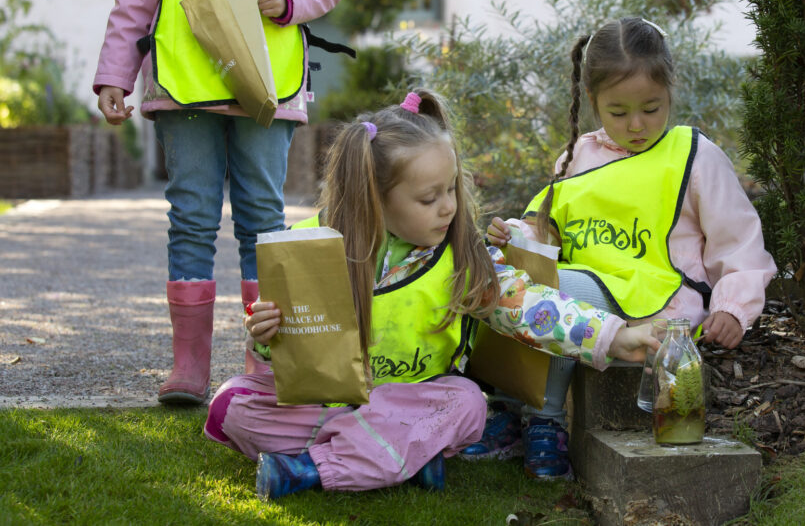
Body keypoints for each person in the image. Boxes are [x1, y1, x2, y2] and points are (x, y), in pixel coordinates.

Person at [202, 90, 658, 499]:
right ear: (376, 198)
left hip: (412, 404)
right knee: (231, 405)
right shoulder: (311, 247)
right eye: (428, 198)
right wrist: (264, 334)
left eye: (451, 190)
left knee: (465, 404)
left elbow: (532, 308)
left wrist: (614, 338)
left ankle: (311, 470)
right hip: (330, 407)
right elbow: (282, 352)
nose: (449, 207)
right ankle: (398, 458)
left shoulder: (460, 260)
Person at [92, 0, 347, 404]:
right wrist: (114, 74)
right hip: (184, 87)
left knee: (263, 217)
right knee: (192, 215)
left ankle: (264, 361)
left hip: (266, 88)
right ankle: (188, 368)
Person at [465, 17, 775, 479]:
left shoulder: (694, 154)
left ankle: (545, 423)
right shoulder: (577, 158)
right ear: (593, 102)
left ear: (671, 90)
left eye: (651, 108)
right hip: (584, 287)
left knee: (559, 293)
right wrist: (515, 238)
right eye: (618, 111)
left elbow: (740, 241)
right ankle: (511, 408)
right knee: (505, 276)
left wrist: (733, 306)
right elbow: (549, 231)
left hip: (658, 300)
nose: (636, 125)